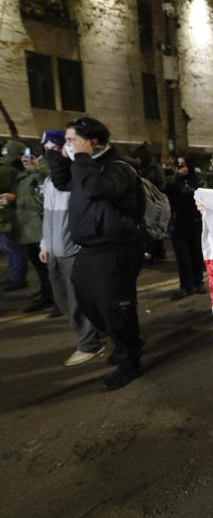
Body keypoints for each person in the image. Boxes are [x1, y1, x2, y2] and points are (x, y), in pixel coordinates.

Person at [50, 117, 145, 391]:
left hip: (116, 247)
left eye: (72, 140)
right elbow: (62, 183)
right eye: (66, 141)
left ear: (92, 142)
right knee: (88, 301)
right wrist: (55, 154)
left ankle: (130, 360)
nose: (69, 146)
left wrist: (80, 157)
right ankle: (127, 339)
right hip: (89, 248)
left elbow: (94, 188)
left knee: (115, 306)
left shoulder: (119, 166)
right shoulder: (84, 166)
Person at [41, 129, 104, 365]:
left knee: (78, 299)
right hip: (54, 250)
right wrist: (44, 243)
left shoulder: (75, 179)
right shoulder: (50, 180)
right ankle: (95, 331)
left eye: (54, 149)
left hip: (73, 251)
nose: (50, 155)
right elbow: (47, 216)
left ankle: (90, 343)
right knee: (62, 298)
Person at [15, 148, 54, 312]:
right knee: (40, 268)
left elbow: (42, 200)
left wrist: (36, 171)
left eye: (28, 157)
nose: (25, 160)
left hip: (39, 229)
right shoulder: (24, 175)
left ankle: (56, 299)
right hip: (28, 229)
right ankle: (47, 294)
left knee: (48, 268)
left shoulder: (44, 172)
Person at [165, 154, 207, 300]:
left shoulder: (197, 179)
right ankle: (186, 285)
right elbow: (166, 186)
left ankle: (198, 281)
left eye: (184, 165)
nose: (181, 168)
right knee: (182, 256)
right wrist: (177, 176)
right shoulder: (174, 179)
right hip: (178, 223)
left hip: (194, 221)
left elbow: (198, 193)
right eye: (179, 165)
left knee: (196, 253)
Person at [0, 139, 28, 290]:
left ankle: (17, 278)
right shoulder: (10, 170)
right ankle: (15, 277)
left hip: (7, 218)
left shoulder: (5, 170)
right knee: (11, 249)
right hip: (7, 216)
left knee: (12, 249)